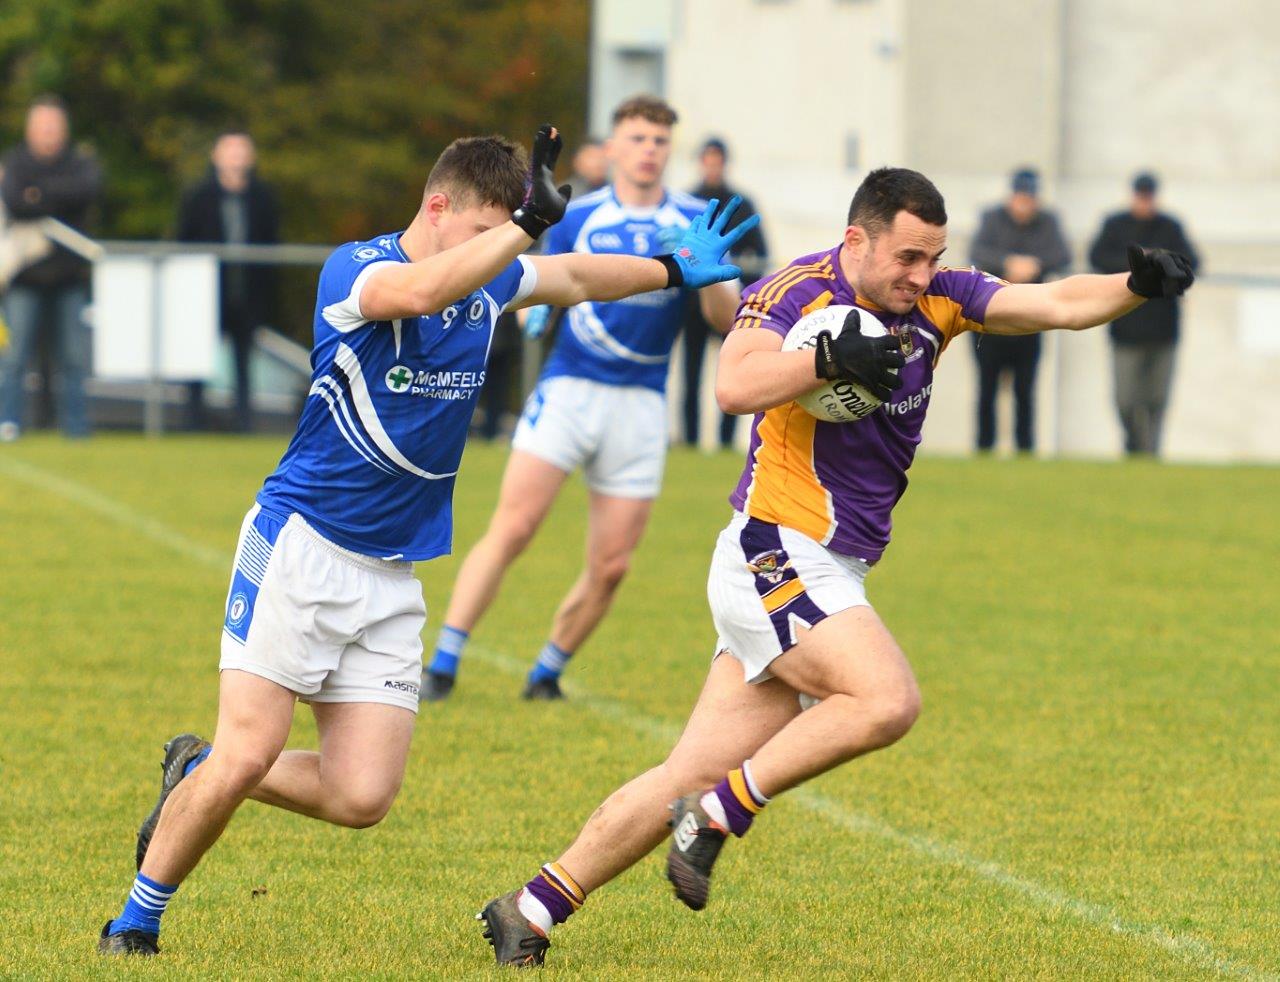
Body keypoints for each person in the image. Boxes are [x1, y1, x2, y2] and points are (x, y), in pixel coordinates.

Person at [475, 166, 1195, 967]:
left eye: (934, 258)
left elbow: (1055, 303)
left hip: (832, 565)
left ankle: (530, 908)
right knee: (885, 700)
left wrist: (1135, 284)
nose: (921, 277)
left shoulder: (937, 296)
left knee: (686, 768)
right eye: (908, 258)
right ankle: (718, 816)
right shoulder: (795, 293)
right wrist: (825, 362)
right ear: (858, 239)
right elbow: (734, 384)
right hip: (774, 547)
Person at [96, 124, 755, 957]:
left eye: (501, 240)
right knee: (250, 750)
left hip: (391, 574)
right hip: (299, 545)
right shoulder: (359, 270)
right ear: (436, 208)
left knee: (361, 795)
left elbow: (578, 275)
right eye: (483, 234)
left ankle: (194, 769)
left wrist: (670, 270)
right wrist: (520, 231)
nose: (494, 258)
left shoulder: (489, 276)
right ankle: (134, 924)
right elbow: (417, 295)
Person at [422, 96, 745, 702]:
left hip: (643, 402)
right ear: (615, 147)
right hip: (569, 390)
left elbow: (726, 320)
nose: (648, 149)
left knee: (613, 564)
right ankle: (444, 662)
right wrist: (535, 319)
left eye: (658, 140)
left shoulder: (696, 216)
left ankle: (546, 672)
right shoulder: (578, 214)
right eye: (637, 137)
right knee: (513, 528)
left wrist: (712, 268)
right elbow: (537, 281)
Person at [0, 95, 102, 442]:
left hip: (68, 278)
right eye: (41, 126)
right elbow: (14, 200)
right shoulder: (16, 162)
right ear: (30, 129)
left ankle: (75, 428)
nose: (47, 133)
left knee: (73, 359)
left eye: (53, 126)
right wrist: (52, 199)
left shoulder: (79, 162)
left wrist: (39, 196)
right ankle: (9, 422)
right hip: (25, 279)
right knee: (14, 357)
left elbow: (86, 191)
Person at [1088, 172, 1199, 456]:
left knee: (1157, 399)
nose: (1144, 202)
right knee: (1125, 399)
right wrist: (1139, 265)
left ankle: (1151, 452)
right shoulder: (1115, 225)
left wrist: (1161, 260)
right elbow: (1096, 257)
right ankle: (1133, 443)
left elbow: (1193, 262)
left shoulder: (1170, 227)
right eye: (1141, 195)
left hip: (1164, 329)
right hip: (1125, 328)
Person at [176, 130, 280, 432]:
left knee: (244, 360)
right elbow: (185, 240)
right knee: (197, 358)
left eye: (241, 151)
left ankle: (244, 422)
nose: (236, 158)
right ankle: (193, 421)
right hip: (206, 291)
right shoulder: (198, 197)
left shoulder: (263, 198)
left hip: (248, 292)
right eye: (229, 150)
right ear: (216, 156)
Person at [968, 167, 1071, 453]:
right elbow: (977, 253)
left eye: (1030, 196)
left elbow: (1062, 255)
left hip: (1030, 320)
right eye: (1021, 196)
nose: (1025, 202)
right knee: (986, 388)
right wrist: (1007, 263)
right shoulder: (991, 219)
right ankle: (983, 448)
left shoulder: (1048, 222)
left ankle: (1025, 449)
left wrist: (1035, 264)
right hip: (989, 320)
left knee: (1025, 390)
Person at [682, 136, 769, 449]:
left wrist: (742, 288)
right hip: (693, 303)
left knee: (733, 370)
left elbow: (759, 254)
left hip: (731, 302)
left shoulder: (741, 204)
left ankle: (725, 440)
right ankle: (690, 440)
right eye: (708, 159)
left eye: (717, 159)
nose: (712, 165)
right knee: (690, 373)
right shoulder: (689, 200)